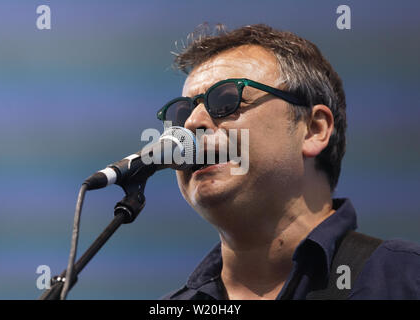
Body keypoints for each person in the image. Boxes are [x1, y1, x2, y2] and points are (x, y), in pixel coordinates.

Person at [157, 24, 420, 300]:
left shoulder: (404, 280)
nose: (192, 123)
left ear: (314, 129)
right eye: (181, 114)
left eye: (226, 100)